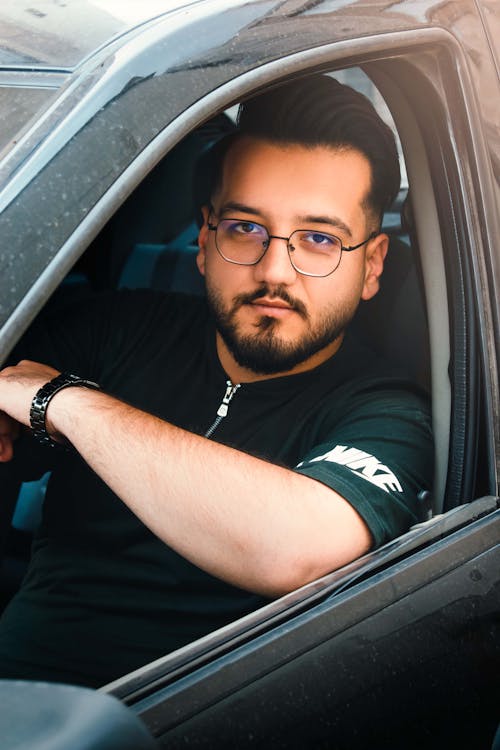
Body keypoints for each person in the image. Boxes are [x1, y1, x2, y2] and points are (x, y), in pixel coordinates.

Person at [0, 75, 433, 687]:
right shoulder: (116, 328)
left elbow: (296, 545)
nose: (274, 270)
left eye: (319, 239)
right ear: (204, 242)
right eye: (245, 229)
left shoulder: (389, 410)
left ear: (372, 266)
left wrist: (65, 403)